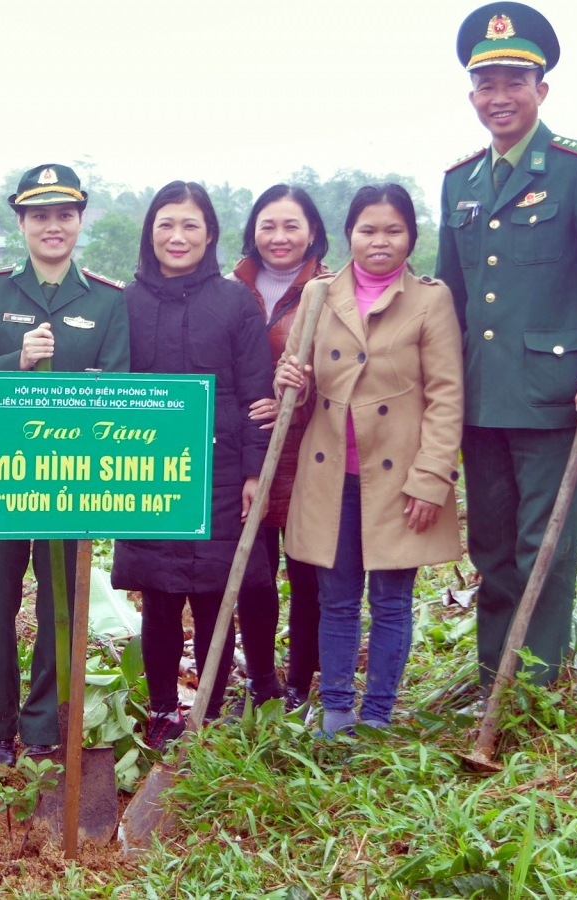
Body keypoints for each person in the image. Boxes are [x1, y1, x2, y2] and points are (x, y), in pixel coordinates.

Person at [436, 3, 577, 688]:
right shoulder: (458, 181)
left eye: (514, 82)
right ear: (472, 97)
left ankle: (535, 686)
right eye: (486, 85)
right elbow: (451, 301)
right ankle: (493, 673)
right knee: (492, 547)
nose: (500, 98)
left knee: (543, 551)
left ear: (541, 90)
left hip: (557, 399)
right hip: (479, 399)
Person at [276, 184, 465, 735]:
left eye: (393, 230)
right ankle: (336, 709)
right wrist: (290, 378)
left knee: (390, 599)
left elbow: (447, 395)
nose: (379, 242)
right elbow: (296, 380)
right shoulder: (317, 295)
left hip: (399, 475)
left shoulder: (430, 300)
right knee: (335, 599)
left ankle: (379, 712)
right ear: (349, 235)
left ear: (410, 236)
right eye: (367, 230)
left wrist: (431, 479)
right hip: (328, 471)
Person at [0, 164, 131, 766]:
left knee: (61, 603)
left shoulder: (108, 300)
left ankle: (44, 725)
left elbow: (120, 384)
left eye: (64, 214)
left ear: (80, 220)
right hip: (1, 472)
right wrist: (17, 361)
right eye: (39, 216)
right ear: (22, 223)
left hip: (72, 478)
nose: (52, 226)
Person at [111, 181, 275, 750]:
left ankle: (206, 707)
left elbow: (258, 394)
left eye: (190, 225)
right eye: (166, 224)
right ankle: (161, 710)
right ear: (149, 232)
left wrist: (254, 472)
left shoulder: (234, 302)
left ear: (209, 234)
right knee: (158, 599)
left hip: (220, 472)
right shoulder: (124, 302)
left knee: (213, 597)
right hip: (148, 476)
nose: (177, 237)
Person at [235, 184, 331, 712]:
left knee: (308, 569)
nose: (279, 237)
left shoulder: (331, 291)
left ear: (312, 231)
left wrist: (299, 392)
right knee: (253, 568)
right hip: (252, 447)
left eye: (291, 225)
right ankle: (262, 679)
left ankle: (301, 681)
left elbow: (348, 367)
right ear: (253, 231)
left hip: (312, 446)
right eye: (268, 225)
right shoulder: (232, 289)